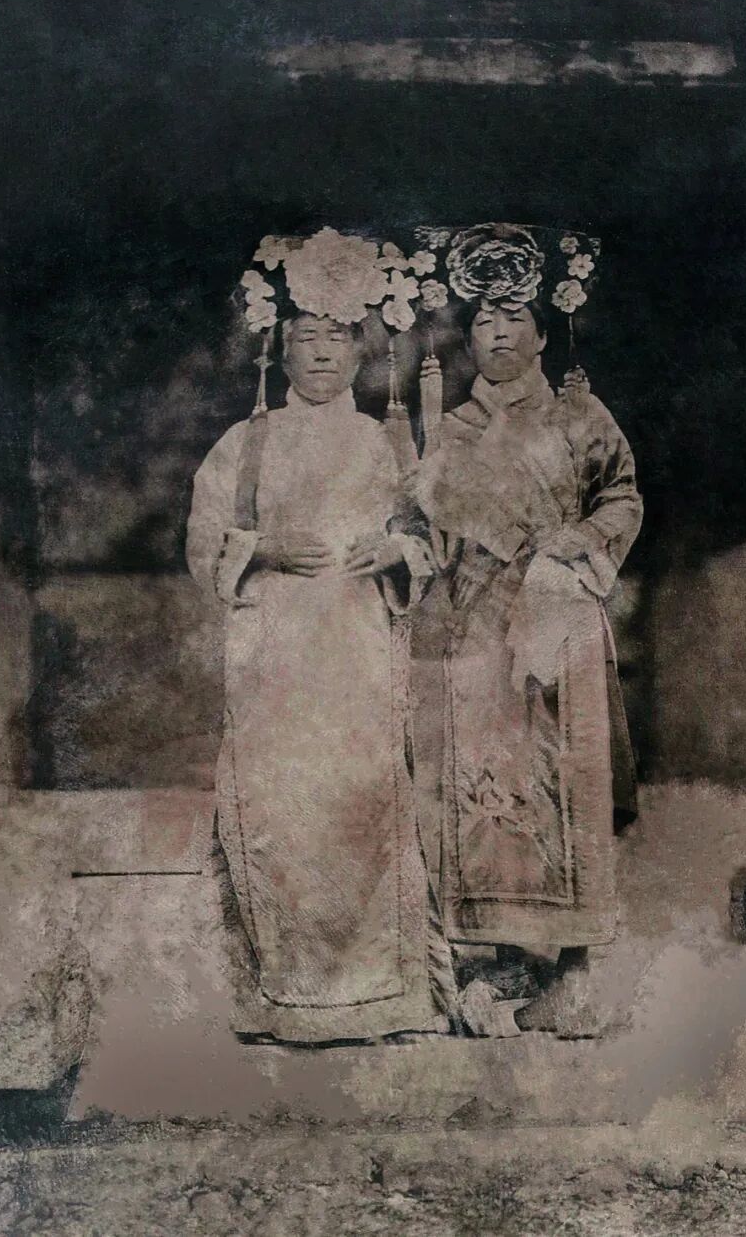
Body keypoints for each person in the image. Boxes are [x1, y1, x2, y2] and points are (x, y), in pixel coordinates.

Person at [187, 277, 456, 1042]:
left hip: (356, 655)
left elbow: (426, 536)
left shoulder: (382, 442)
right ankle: (278, 998)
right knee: (280, 813)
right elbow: (204, 541)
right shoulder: (246, 444)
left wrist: (396, 550)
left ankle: (382, 998)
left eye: (336, 338)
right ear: (280, 350)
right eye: (306, 337)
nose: (321, 353)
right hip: (274, 660)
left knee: (357, 809)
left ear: (360, 352)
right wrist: (262, 547)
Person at [415, 226, 642, 1001]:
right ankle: (500, 949)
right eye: (484, 320)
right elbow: (428, 527)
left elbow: (622, 497)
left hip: (558, 610)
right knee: (490, 781)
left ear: (544, 334)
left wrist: (573, 544)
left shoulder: (582, 415)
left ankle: (573, 957)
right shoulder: (454, 428)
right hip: (477, 620)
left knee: (566, 773)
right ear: (468, 338)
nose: (499, 333)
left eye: (514, 317)